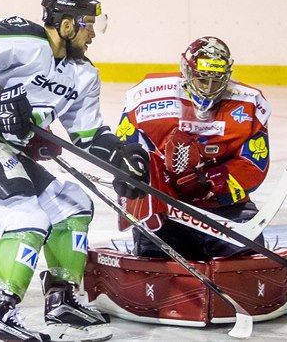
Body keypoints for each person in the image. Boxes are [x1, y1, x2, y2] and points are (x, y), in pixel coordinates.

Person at [0, 0, 149, 341]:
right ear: (66, 24)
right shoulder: (22, 39)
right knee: (25, 218)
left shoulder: (82, 75)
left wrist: (121, 157)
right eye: (88, 25)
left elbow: (88, 135)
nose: (92, 34)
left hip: (7, 150)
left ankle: (61, 299)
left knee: (72, 206)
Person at [115, 36, 271, 261]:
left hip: (225, 209)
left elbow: (255, 164)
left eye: (217, 81)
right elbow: (125, 153)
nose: (209, 88)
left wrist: (213, 182)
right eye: (202, 79)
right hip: (167, 211)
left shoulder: (250, 104)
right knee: (157, 262)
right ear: (187, 72)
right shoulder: (146, 96)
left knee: (246, 262)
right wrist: (149, 183)